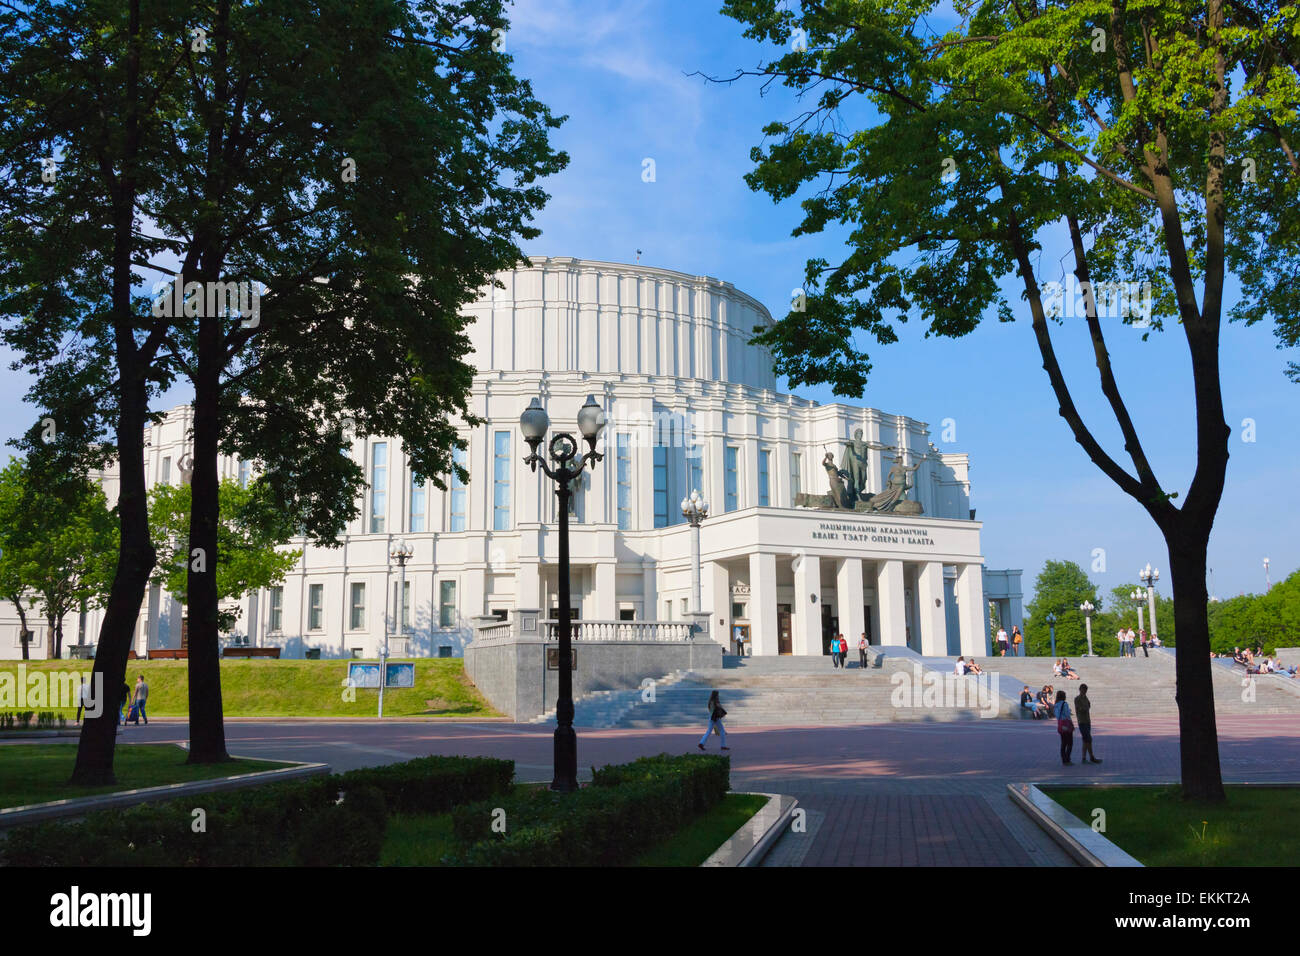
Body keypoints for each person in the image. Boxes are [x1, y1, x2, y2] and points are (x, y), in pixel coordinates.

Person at [1075, 684, 1101, 764]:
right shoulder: (1077, 698)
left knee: (1085, 740)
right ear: (1080, 689)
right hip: (1082, 721)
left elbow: (1088, 706)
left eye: (1085, 690)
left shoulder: (1086, 698)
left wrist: (1086, 707)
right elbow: (1080, 709)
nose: (1084, 691)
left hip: (1087, 721)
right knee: (1088, 739)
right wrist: (1085, 707)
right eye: (1083, 689)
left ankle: (1084, 758)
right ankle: (1091, 757)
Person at [1054, 689, 1075, 765]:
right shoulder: (1064, 704)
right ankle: (1068, 759)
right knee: (1070, 743)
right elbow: (1067, 715)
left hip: (1060, 724)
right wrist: (1072, 724)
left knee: (1063, 743)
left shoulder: (1056, 705)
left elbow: (1056, 715)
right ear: (1063, 696)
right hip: (1066, 724)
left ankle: (1064, 760)